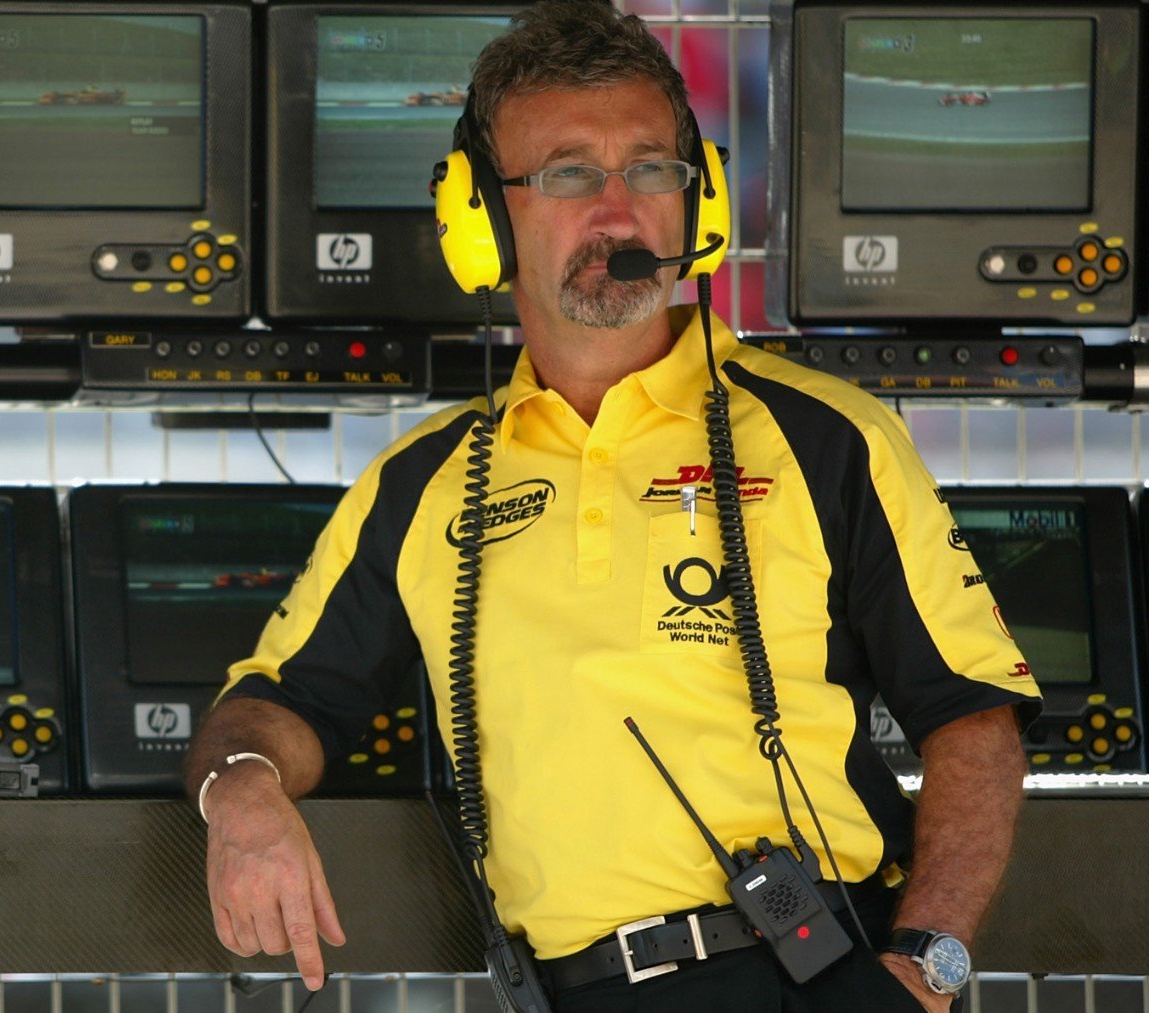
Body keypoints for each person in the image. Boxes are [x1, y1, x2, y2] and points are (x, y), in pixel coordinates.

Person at [186, 2, 1041, 1010]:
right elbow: (279, 703)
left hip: (815, 973)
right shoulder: (419, 486)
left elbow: (974, 717)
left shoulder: (827, 438)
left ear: (700, 202)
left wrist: (928, 966)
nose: (619, 209)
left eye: (651, 168)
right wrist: (238, 788)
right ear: (480, 217)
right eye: (568, 173)